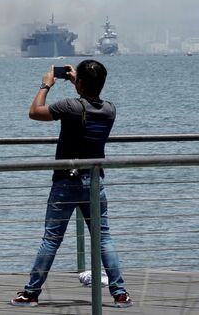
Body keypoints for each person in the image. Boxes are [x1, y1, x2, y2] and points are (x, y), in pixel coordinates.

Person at [10, 60, 133, 308]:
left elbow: (35, 112)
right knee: (103, 237)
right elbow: (90, 98)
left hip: (66, 181)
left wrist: (46, 85)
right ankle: (120, 293)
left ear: (81, 83)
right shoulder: (110, 109)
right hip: (95, 181)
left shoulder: (69, 106)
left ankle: (31, 293)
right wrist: (79, 80)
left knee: (52, 238)